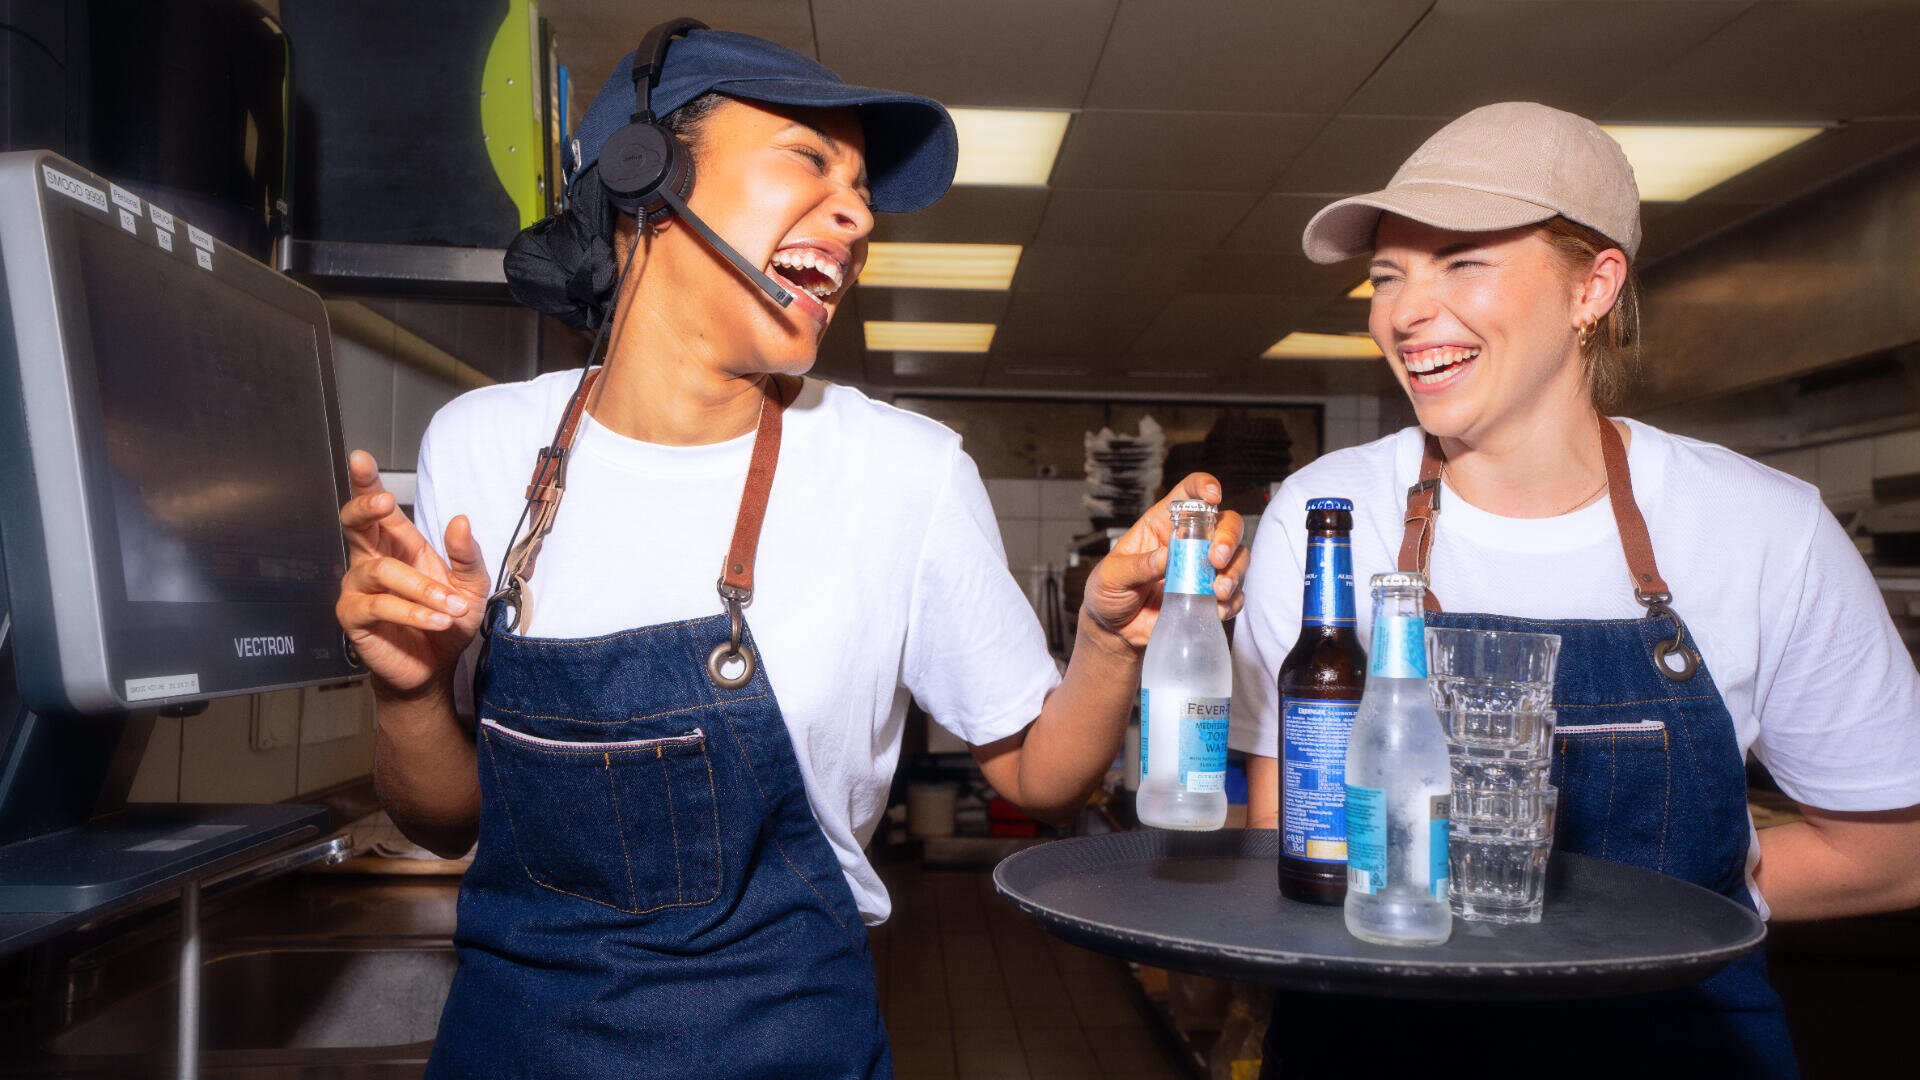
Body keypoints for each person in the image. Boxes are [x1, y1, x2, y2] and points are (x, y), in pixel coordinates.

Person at [333, 22, 1248, 1079]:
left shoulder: (905, 471)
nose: (858, 216)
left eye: (861, 186)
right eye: (810, 160)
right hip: (514, 1044)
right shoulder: (484, 445)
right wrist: (406, 693)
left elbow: (1037, 776)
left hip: (787, 1044)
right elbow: (445, 821)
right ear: (645, 175)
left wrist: (1108, 642)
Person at [1229, 102, 1920, 1077]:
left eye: (1462, 260)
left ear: (1592, 287)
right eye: (1387, 275)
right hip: (1375, 1038)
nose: (1403, 310)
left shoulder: (1767, 528)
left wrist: (1675, 894)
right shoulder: (1330, 516)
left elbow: (1893, 854)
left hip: (1675, 1045)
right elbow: (1288, 832)